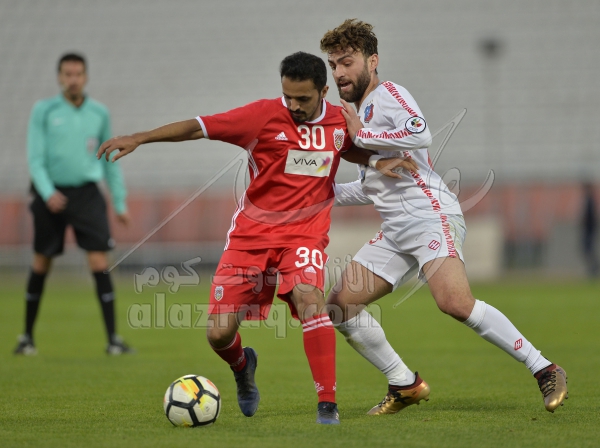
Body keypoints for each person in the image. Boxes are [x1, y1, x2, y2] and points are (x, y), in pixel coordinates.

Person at [96, 51, 416, 424]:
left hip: (304, 235)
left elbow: (349, 149)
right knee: (218, 334)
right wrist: (141, 137)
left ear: (323, 91)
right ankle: (242, 366)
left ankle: (327, 405)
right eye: (288, 96)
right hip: (251, 236)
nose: (293, 105)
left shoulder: (338, 120)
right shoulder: (262, 116)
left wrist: (376, 160)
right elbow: (198, 127)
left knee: (311, 301)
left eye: (302, 98)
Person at [321, 19, 568, 415]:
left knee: (454, 302)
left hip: (429, 215)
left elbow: (420, 132)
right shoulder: (361, 111)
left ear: (373, 60)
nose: (339, 73)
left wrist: (361, 137)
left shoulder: (388, 95)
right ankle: (404, 383)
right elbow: (371, 187)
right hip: (396, 230)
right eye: (333, 65)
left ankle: (545, 368)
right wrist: (314, 192)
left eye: (347, 62)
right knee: (340, 305)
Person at [14, 53, 133, 356]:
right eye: (67, 74)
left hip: (87, 194)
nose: (73, 79)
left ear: (85, 77)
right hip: (50, 194)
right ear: (59, 77)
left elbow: (109, 159)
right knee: (41, 262)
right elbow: (35, 158)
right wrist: (47, 192)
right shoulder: (44, 110)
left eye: (78, 74)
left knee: (100, 263)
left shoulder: (99, 113)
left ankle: (113, 340)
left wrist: (119, 202)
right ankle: (27, 338)